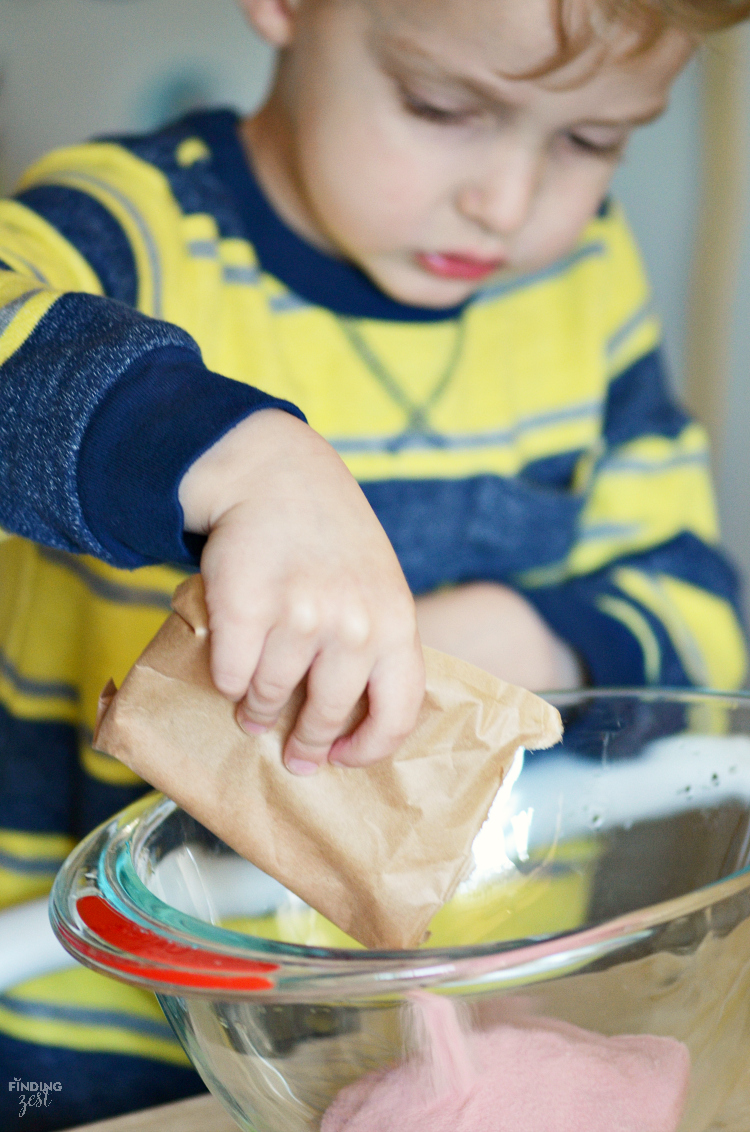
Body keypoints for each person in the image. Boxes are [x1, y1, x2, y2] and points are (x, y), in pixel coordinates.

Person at [0, 0, 748, 1125]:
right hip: (89, 1029)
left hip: (475, 1016)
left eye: (592, 141)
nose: (507, 200)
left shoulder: (582, 290)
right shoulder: (125, 233)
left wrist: (528, 638)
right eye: (443, 108)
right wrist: (231, 458)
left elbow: (699, 605)